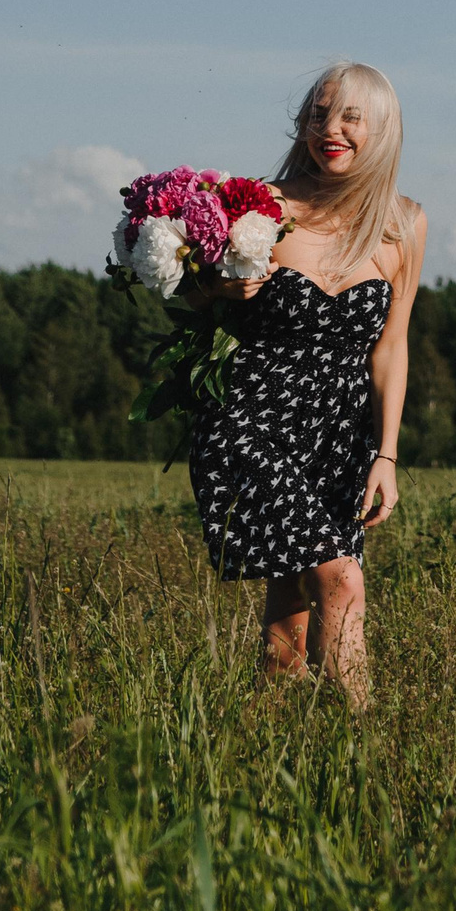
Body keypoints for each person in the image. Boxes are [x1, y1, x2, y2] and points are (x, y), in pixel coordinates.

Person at [185, 60, 425, 706]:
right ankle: (367, 747)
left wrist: (386, 454)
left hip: (339, 440)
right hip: (251, 424)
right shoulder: (262, 207)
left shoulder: (404, 224)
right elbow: (186, 298)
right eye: (319, 114)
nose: (331, 130)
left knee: (289, 612)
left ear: (384, 131)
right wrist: (217, 288)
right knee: (341, 580)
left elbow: (392, 345)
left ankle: (269, 746)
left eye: (351, 117)